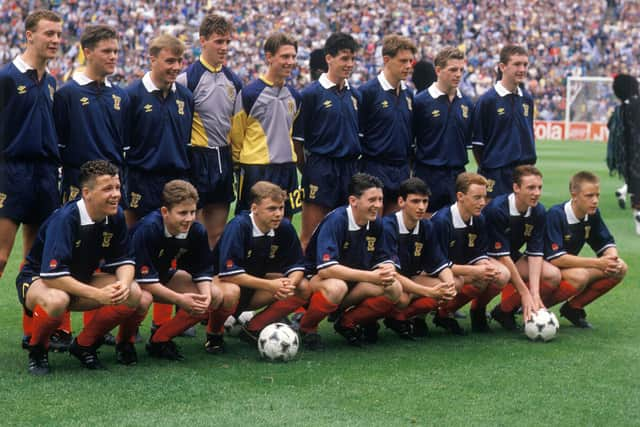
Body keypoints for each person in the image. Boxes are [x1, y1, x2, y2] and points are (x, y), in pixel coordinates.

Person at [16, 160, 152, 375]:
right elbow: (52, 276)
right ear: (87, 193)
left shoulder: (115, 216)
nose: (116, 194)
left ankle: (85, 345)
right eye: (107, 188)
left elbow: (125, 260)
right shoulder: (65, 219)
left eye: (117, 187)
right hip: (39, 281)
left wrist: (124, 285)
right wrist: (98, 294)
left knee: (134, 293)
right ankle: (37, 349)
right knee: (57, 299)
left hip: (80, 279)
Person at [0, 10, 63, 349]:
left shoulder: (51, 82)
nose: (54, 40)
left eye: (58, 35)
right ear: (28, 35)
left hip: (44, 176)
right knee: (0, 256)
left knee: (34, 260)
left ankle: (31, 333)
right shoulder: (7, 77)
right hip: (11, 173)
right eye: (48, 34)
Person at [297, 173, 402, 349]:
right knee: (337, 287)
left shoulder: (376, 223)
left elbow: (386, 258)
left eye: (380, 199)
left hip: (353, 282)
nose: (378, 205)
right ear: (353, 201)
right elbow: (325, 269)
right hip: (316, 282)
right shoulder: (337, 220)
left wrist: (387, 271)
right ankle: (307, 327)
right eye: (372, 200)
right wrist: (371, 276)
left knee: (394, 288)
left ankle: (347, 322)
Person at [209, 181, 310, 350]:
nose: (278, 214)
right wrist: (270, 285)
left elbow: (298, 265)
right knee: (231, 292)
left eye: (281, 208)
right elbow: (228, 274)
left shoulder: (284, 227)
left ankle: (253, 328)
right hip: (221, 290)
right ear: (254, 209)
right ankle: (214, 334)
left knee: (303, 286)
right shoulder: (239, 226)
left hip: (255, 288)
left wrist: (289, 284)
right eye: (271, 209)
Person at [130, 180, 223, 360]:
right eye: (182, 213)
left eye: (192, 212)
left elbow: (203, 269)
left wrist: (206, 297)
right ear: (165, 212)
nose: (189, 218)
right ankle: (124, 343)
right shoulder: (149, 228)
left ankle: (160, 340)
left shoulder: (196, 230)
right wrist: (181, 300)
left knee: (214, 295)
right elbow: (144, 280)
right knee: (143, 299)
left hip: (161, 277)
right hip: (131, 281)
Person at [176, 14, 242, 249]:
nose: (224, 47)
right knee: (195, 230)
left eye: (226, 42)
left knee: (217, 233)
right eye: (218, 41)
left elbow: (236, 126)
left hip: (223, 158)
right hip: (197, 158)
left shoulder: (234, 81)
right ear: (202, 41)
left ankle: (213, 277)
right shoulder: (187, 79)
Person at [294, 33, 361, 250]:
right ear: (329, 58)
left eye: (352, 59)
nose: (349, 64)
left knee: (346, 234)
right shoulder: (311, 94)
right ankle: (303, 280)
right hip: (321, 168)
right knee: (311, 235)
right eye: (344, 58)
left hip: (349, 169)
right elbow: (297, 142)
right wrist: (310, 169)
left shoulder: (356, 95)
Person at [54, 24, 129, 204]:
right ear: (87, 53)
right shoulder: (66, 95)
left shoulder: (121, 96)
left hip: (113, 187)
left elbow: (125, 148)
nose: (113, 57)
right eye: (106, 51)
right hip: (78, 186)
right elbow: (60, 146)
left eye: (115, 51)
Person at [124, 34, 194, 226]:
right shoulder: (131, 96)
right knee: (136, 236)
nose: (176, 67)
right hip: (141, 180)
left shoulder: (185, 96)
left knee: (174, 240)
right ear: (152, 60)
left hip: (177, 181)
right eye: (170, 61)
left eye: (179, 61)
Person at [230, 33, 302, 218]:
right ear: (269, 57)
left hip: (287, 167)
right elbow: (236, 134)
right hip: (257, 168)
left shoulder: (295, 95)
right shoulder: (249, 93)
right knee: (250, 224)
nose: (290, 61)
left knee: (285, 223)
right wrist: (240, 165)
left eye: (293, 56)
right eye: (285, 56)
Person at [544, 171, 627, 328]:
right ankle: (534, 308)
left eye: (597, 195)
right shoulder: (556, 214)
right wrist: (598, 263)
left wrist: (612, 259)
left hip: (564, 267)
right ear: (574, 195)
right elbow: (556, 258)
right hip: (545, 268)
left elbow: (606, 242)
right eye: (589, 196)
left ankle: (573, 308)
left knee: (620, 267)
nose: (595, 201)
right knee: (579, 276)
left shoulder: (592, 214)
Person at [430, 172, 510, 334]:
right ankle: (415, 317)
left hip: (460, 267)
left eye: (485, 197)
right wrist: (475, 271)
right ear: (460, 196)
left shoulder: (478, 218)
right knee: (460, 281)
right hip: (433, 271)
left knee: (501, 275)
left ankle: (472, 311)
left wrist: (485, 266)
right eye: (477, 198)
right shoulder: (441, 221)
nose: (482, 203)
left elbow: (478, 252)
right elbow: (437, 264)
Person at [484, 165, 561, 330]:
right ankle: (477, 310)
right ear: (516, 188)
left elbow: (535, 253)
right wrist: (524, 293)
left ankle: (504, 311)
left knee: (553, 275)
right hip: (485, 257)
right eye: (531, 188)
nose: (537, 193)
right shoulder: (497, 209)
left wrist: (534, 293)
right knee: (502, 274)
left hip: (509, 256)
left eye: (539, 187)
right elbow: (502, 256)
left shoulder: (538, 211)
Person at [382, 178, 457, 338]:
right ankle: (354, 321)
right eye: (415, 201)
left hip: (411, 279)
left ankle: (402, 318)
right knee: (400, 296)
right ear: (401, 202)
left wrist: (449, 286)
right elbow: (390, 273)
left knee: (450, 285)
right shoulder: (387, 226)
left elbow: (441, 263)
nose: (421, 207)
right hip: (387, 281)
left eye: (425, 201)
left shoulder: (426, 226)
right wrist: (428, 291)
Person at [357, 35, 416, 215]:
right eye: (403, 61)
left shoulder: (409, 95)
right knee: (372, 232)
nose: (408, 66)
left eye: (410, 61)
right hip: (374, 170)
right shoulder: (367, 93)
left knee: (394, 232)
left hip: (401, 171)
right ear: (386, 60)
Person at [413, 47, 474, 215]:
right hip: (428, 174)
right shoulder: (420, 102)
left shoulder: (467, 104)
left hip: (458, 176)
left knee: (457, 229)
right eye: (453, 69)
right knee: (427, 228)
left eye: (461, 70)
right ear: (438, 70)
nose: (458, 74)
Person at [471, 45, 535, 199]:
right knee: (495, 220)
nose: (522, 69)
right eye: (517, 64)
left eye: (525, 64)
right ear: (502, 67)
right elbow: (477, 145)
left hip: (524, 174)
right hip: (496, 175)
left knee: (522, 222)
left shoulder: (527, 99)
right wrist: (491, 166)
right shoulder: (487, 100)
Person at [611, 74, 640, 234]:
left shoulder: (621, 109)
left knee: (635, 185)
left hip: (627, 154)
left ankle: (637, 215)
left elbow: (611, 127)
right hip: (636, 150)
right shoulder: (637, 104)